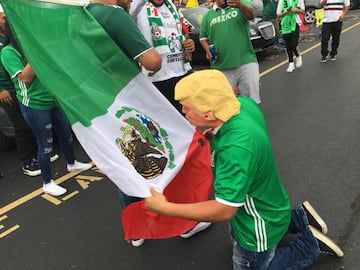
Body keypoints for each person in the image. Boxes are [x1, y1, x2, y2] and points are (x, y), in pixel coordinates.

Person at [144, 69, 344, 269]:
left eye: (186, 107)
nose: (182, 111)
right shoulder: (241, 105)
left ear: (208, 113)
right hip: (270, 201)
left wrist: (166, 208)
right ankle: (300, 217)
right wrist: (214, 135)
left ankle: (309, 246)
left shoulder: (235, 149)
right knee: (260, 225)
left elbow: (224, 209)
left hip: (255, 226)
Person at [1, 20, 92, 197]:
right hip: (34, 104)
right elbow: (25, 78)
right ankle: (47, 182)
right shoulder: (8, 51)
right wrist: (36, 50)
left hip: (52, 99)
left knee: (66, 135)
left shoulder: (31, 46)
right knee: (45, 145)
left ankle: (72, 163)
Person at [0, 5, 58, 177]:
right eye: (3, 17)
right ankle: (27, 161)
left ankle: (39, 155)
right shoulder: (6, 47)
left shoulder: (10, 38)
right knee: (20, 125)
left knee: (29, 123)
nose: (5, 20)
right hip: (7, 90)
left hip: (19, 88)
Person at [130, 0, 196, 113]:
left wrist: (189, 44)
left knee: (184, 121)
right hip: (155, 79)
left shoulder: (172, 7)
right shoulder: (138, 7)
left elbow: (179, 34)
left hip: (180, 75)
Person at [199, 0, 261, 104]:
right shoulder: (208, 16)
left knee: (251, 102)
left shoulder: (241, 3)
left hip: (246, 62)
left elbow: (251, 16)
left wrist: (240, 5)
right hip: (221, 67)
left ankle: (251, 119)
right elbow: (203, 37)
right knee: (225, 104)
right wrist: (207, 49)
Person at [277, 0, 305, 72]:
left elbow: (303, 11)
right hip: (285, 25)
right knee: (288, 45)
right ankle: (291, 63)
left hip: (295, 23)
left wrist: (295, 10)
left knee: (293, 44)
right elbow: (278, 14)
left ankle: (298, 55)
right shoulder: (281, 1)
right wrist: (286, 12)